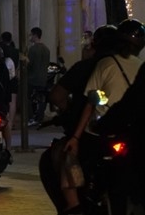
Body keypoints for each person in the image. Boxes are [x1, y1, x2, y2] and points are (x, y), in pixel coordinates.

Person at [60, 19, 144, 215]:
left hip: (110, 130)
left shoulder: (105, 64)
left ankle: (75, 206)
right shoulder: (140, 67)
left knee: (74, 159)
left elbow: (94, 99)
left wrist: (76, 137)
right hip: (134, 134)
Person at [40, 24, 118, 214]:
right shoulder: (130, 67)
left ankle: (73, 206)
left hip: (92, 133)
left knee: (64, 155)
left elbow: (60, 97)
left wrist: (72, 118)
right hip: (124, 130)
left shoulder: (91, 68)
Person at [25, 26, 51, 126]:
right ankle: (39, 117)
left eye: (31, 35)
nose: (30, 37)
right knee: (42, 99)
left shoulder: (32, 49)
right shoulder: (46, 49)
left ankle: (30, 117)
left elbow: (29, 64)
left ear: (35, 35)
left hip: (32, 79)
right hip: (43, 78)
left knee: (26, 98)